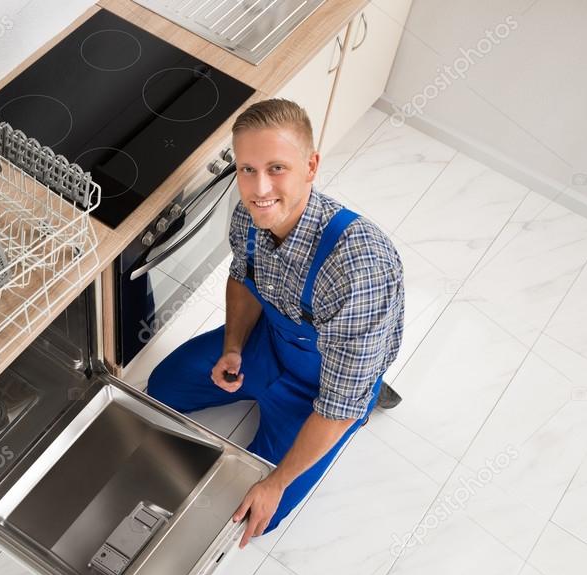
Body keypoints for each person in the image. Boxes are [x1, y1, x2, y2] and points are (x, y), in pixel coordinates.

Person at [146, 98, 405, 549]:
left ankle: (368, 387)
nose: (259, 187)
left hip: (323, 390)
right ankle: (346, 376)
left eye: (276, 168)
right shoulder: (250, 213)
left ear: (311, 165)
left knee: (250, 510)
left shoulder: (359, 267)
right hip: (268, 346)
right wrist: (232, 348)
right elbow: (242, 279)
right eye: (247, 169)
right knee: (161, 388)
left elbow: (336, 405)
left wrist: (275, 483)